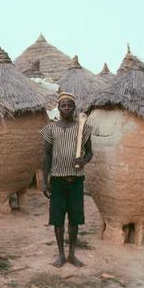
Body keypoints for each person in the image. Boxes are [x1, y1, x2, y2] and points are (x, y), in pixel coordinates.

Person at [40, 92, 93, 268]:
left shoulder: (82, 128)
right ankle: (61, 255)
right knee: (57, 219)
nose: (67, 108)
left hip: (76, 180)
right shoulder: (50, 129)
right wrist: (45, 180)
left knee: (75, 219)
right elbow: (47, 154)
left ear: (74, 108)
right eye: (63, 105)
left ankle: (72, 255)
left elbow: (90, 152)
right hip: (57, 180)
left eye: (70, 105)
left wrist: (84, 160)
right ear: (58, 107)